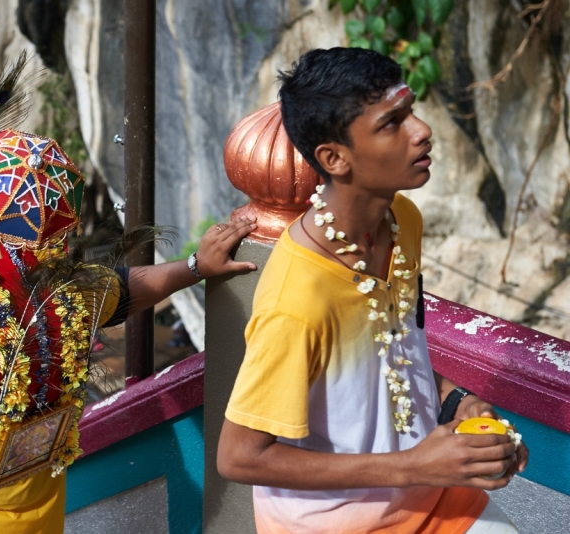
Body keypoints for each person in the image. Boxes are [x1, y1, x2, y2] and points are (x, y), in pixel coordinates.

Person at [0, 126, 257, 533]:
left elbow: (121, 292)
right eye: (20, 259)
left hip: (27, 503)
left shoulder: (53, 298)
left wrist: (196, 267)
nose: (42, 267)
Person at [217, 47, 529, 534]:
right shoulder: (297, 300)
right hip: (335, 522)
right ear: (334, 158)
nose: (421, 130)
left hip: (428, 492)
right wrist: (413, 466)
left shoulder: (402, 220)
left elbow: (392, 355)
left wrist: (457, 402)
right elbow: (238, 457)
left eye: (412, 110)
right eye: (392, 122)